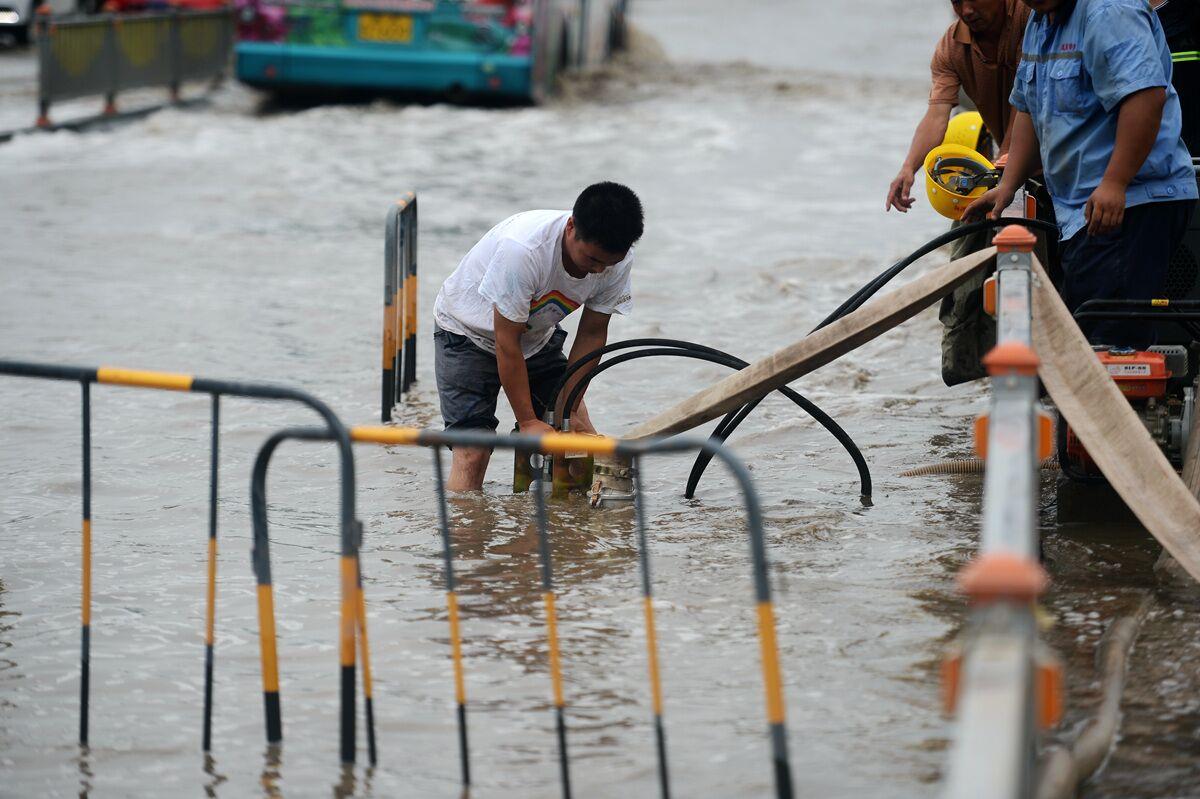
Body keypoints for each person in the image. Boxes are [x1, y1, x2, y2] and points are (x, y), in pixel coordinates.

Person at [965, 0, 1197, 348]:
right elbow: (1029, 108)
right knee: (1089, 333)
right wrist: (1008, 186)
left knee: (1108, 342)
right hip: (1082, 210)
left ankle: (1124, 400)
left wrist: (1115, 182)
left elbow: (1146, 98)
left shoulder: (1109, 11)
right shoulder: (1041, 22)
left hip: (1130, 201)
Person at [432, 182, 643, 491]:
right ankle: (465, 534)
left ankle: (577, 529)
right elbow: (506, 342)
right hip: (467, 334)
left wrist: (568, 409)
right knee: (473, 451)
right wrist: (529, 421)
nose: (598, 271)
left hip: (536, 338)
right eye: (591, 260)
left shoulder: (617, 261)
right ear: (571, 227)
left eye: (607, 263)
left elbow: (593, 333)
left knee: (579, 434)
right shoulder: (524, 250)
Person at [885, 0, 1041, 385]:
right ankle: (977, 373)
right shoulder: (951, 47)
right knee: (964, 272)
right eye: (957, 1)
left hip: (1054, 161)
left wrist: (1008, 166)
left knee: (1050, 280)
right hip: (999, 164)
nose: (966, 10)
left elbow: (1030, 104)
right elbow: (938, 112)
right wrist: (909, 167)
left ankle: (1054, 374)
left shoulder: (1032, 21)